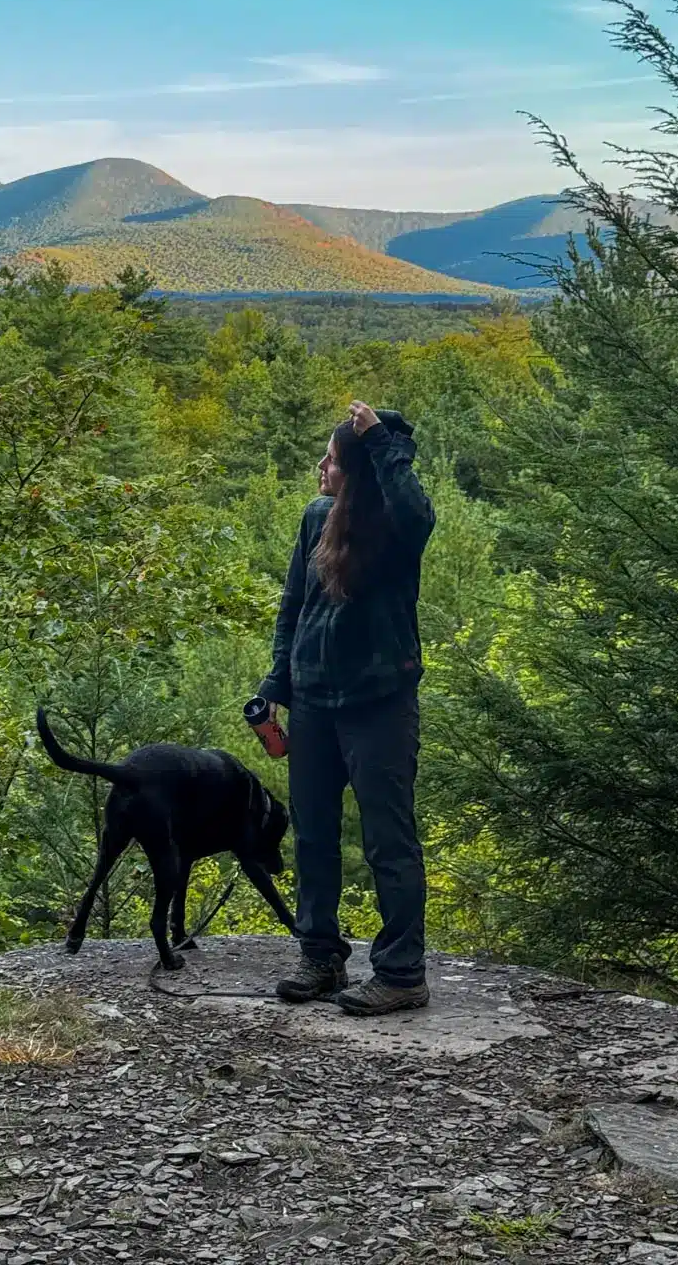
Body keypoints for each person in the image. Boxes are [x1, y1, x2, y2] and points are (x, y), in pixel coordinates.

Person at [256, 400, 435, 1015]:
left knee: (389, 839)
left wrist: (381, 441)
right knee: (313, 834)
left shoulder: (395, 528)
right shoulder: (315, 518)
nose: (320, 469)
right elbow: (294, 607)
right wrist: (275, 687)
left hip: (379, 702)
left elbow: (418, 509)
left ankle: (402, 973)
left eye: (332, 460)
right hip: (312, 700)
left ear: (355, 470)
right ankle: (321, 955)